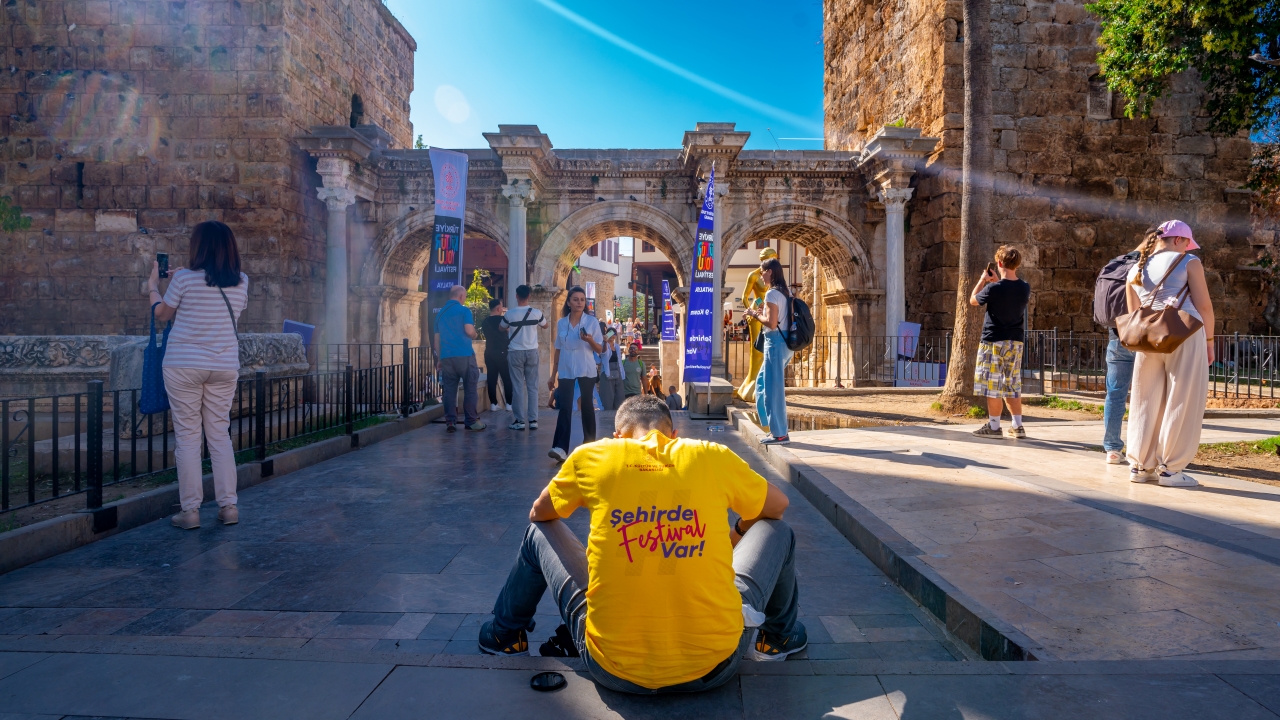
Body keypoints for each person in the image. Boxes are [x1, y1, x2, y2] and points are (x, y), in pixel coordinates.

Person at [478, 395, 806, 694]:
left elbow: (539, 513)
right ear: (673, 434)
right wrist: (738, 528)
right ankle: (777, 640)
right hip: (716, 665)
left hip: (611, 668)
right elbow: (776, 506)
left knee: (538, 532)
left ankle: (504, 636)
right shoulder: (710, 455)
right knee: (778, 531)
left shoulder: (592, 456)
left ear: (618, 436)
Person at [148, 220, 248, 529]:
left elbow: (162, 314)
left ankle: (190, 511)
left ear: (199, 247)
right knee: (219, 435)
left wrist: (153, 285)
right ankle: (228, 506)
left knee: (189, 438)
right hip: (223, 365)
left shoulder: (185, 280)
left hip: (183, 365)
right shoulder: (242, 281)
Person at [1125, 220, 1215, 487]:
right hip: (1184, 333)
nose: (1189, 247)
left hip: (1148, 338)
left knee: (1144, 399)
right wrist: (1210, 342)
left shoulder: (1134, 268)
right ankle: (1171, 469)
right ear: (1178, 240)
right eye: (1188, 242)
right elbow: (1205, 306)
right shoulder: (1189, 262)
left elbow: (1134, 314)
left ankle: (1140, 466)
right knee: (1183, 398)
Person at [1096, 231, 1152, 464]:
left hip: (1117, 334)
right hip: (1146, 337)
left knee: (1116, 393)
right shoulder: (1151, 266)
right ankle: (1144, 449)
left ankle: (1111, 448)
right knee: (1149, 394)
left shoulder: (1115, 262)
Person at [969, 245, 1032, 440]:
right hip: (1015, 341)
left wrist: (983, 280)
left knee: (992, 384)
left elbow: (973, 300)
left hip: (993, 340)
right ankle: (1017, 425)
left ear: (998, 263)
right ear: (1017, 264)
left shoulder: (992, 288)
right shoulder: (1025, 287)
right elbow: (1008, 294)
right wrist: (995, 282)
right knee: (1012, 383)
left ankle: (994, 426)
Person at [548, 286, 603, 462]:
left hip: (586, 367)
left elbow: (600, 349)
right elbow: (558, 349)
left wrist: (589, 340)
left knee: (586, 405)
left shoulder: (591, 322)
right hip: (566, 369)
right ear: (569, 302)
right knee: (564, 406)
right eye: (576, 299)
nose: (580, 302)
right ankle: (560, 447)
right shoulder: (561, 323)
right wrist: (553, 374)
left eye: (582, 299)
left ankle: (589, 445)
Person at [744, 258, 793, 444]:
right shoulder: (783, 292)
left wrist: (754, 314)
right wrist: (761, 312)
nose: (760, 275)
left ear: (770, 272)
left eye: (762, 271)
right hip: (784, 342)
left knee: (773, 389)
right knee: (762, 383)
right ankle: (772, 427)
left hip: (775, 343)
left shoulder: (772, 294)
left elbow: (772, 324)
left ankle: (780, 433)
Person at [435, 285, 485, 433]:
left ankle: (450, 421)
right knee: (470, 387)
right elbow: (469, 330)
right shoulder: (464, 311)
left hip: (446, 357)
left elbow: (436, 340)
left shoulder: (440, 314)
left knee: (449, 390)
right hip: (464, 355)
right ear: (461, 296)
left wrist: (439, 359)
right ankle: (471, 421)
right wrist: (475, 335)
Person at [501, 285, 548, 431]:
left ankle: (519, 420)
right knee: (532, 387)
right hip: (531, 351)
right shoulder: (536, 313)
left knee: (517, 387)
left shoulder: (510, 314)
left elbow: (501, 327)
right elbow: (545, 325)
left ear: (516, 296)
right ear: (529, 296)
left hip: (515, 352)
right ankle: (533, 420)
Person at [480, 298, 513, 413]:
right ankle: (509, 404)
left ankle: (493, 404)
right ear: (499, 308)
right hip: (502, 352)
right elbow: (508, 332)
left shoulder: (485, 321)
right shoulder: (503, 320)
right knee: (507, 379)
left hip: (489, 352)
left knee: (491, 378)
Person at [596, 325, 626, 411]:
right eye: (610, 334)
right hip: (607, 371)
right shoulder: (603, 344)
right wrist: (605, 342)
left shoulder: (616, 346)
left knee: (619, 396)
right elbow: (604, 353)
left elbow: (619, 360)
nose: (612, 336)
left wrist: (622, 373)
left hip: (618, 371)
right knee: (607, 397)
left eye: (614, 334)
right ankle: (606, 416)